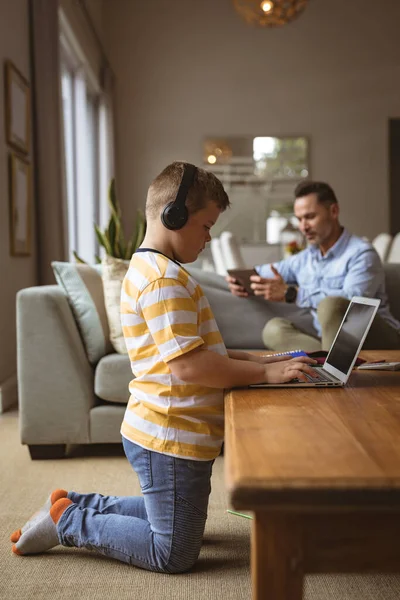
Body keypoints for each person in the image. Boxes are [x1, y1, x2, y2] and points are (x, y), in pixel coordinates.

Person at [9, 162, 317, 572]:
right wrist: (262, 374)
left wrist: (271, 360)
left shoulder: (161, 272)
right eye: (206, 226)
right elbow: (189, 367)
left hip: (174, 430)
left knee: (179, 520)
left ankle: (79, 502)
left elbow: (209, 351)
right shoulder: (162, 281)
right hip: (170, 435)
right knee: (172, 552)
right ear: (174, 216)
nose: (209, 238)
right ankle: (68, 520)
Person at [227, 180, 400, 352]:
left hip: (375, 337)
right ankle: (327, 363)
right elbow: (263, 272)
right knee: (274, 330)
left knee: (330, 305)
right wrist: (239, 280)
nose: (303, 227)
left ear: (334, 211)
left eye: (310, 217)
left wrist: (291, 293)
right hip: (330, 340)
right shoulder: (305, 258)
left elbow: (353, 304)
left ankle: (327, 366)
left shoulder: (361, 253)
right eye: (299, 219)